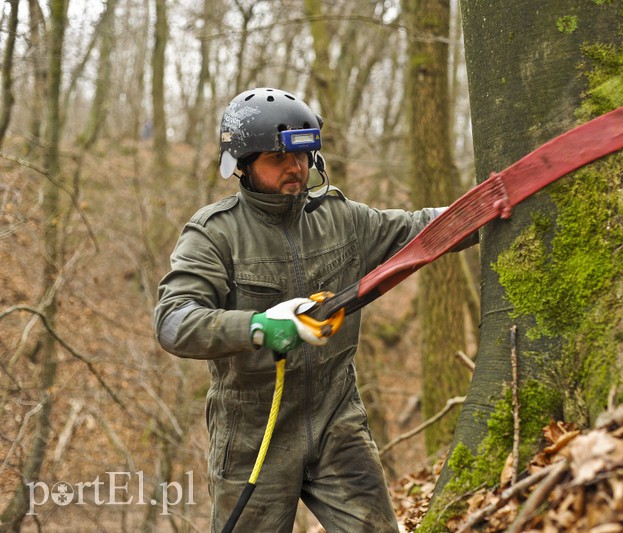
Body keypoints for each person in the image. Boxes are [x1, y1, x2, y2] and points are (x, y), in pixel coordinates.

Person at [153, 87, 452, 532]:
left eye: (302, 155)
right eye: (277, 158)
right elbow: (173, 321)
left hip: (338, 420)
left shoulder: (340, 217)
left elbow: (418, 230)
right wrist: (258, 326)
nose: (294, 168)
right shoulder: (214, 234)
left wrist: (484, 209)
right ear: (242, 164)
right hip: (253, 434)